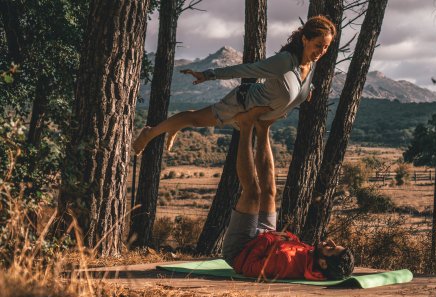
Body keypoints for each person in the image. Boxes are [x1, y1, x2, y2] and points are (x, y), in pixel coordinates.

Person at [132, 15, 336, 155]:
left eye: (326, 47)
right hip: (242, 103)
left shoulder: (310, 64)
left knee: (195, 119)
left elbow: (297, 84)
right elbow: (246, 70)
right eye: (318, 45)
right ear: (304, 39)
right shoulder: (284, 61)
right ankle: (150, 132)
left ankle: (174, 126)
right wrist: (208, 74)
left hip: (256, 117)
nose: (321, 51)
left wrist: (308, 90)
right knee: (194, 119)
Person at [222, 112, 354, 281]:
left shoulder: (287, 265)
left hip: (242, 248)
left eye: (331, 249)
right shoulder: (311, 256)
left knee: (253, 193)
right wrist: (278, 237)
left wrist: (270, 238)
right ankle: (263, 128)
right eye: (335, 245)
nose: (330, 242)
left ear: (323, 264)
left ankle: (245, 127)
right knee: (270, 192)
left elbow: (247, 267)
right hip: (266, 237)